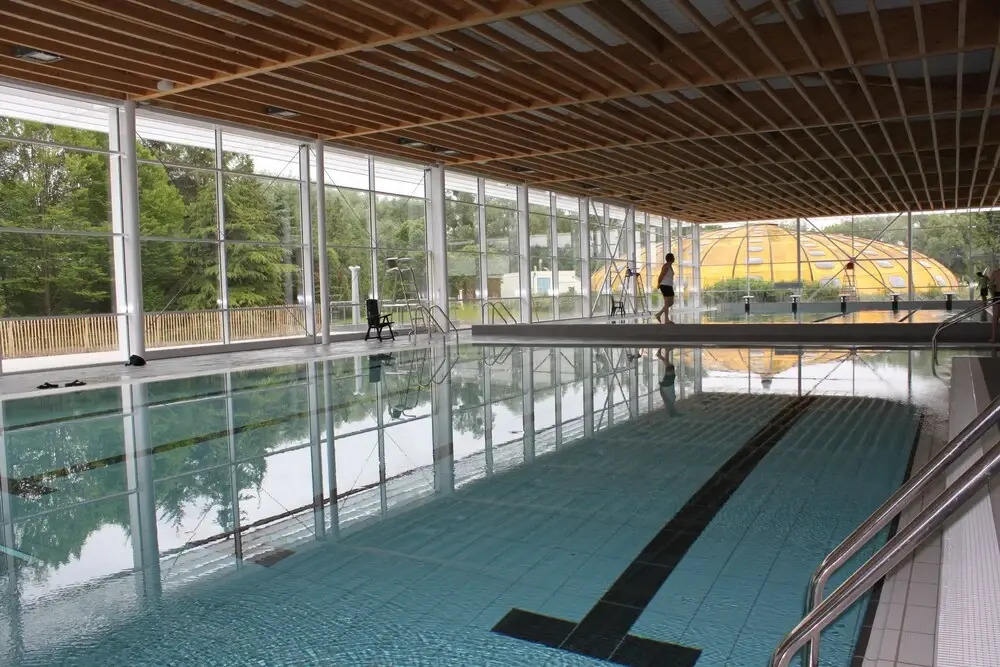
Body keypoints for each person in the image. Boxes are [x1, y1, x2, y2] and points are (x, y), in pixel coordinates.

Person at [654, 253, 676, 323]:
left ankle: (659, 314)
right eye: (673, 257)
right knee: (667, 303)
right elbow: (661, 276)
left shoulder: (670, 266)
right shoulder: (666, 266)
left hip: (669, 285)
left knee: (671, 302)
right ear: (671, 258)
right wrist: (658, 284)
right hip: (664, 285)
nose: (674, 258)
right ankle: (666, 319)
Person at [657, 347, 679, 416]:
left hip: (667, 385)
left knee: (670, 367)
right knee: (670, 367)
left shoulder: (669, 402)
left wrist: (662, 386)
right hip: (667, 385)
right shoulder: (670, 402)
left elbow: (665, 395)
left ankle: (667, 351)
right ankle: (660, 355)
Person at [990, 267, 1000, 343]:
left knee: (995, 317)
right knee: (995, 317)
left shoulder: (995, 273)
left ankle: (993, 337)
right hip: (997, 295)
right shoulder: (995, 272)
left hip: (997, 294)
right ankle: (993, 337)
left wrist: (993, 295)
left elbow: (991, 286)